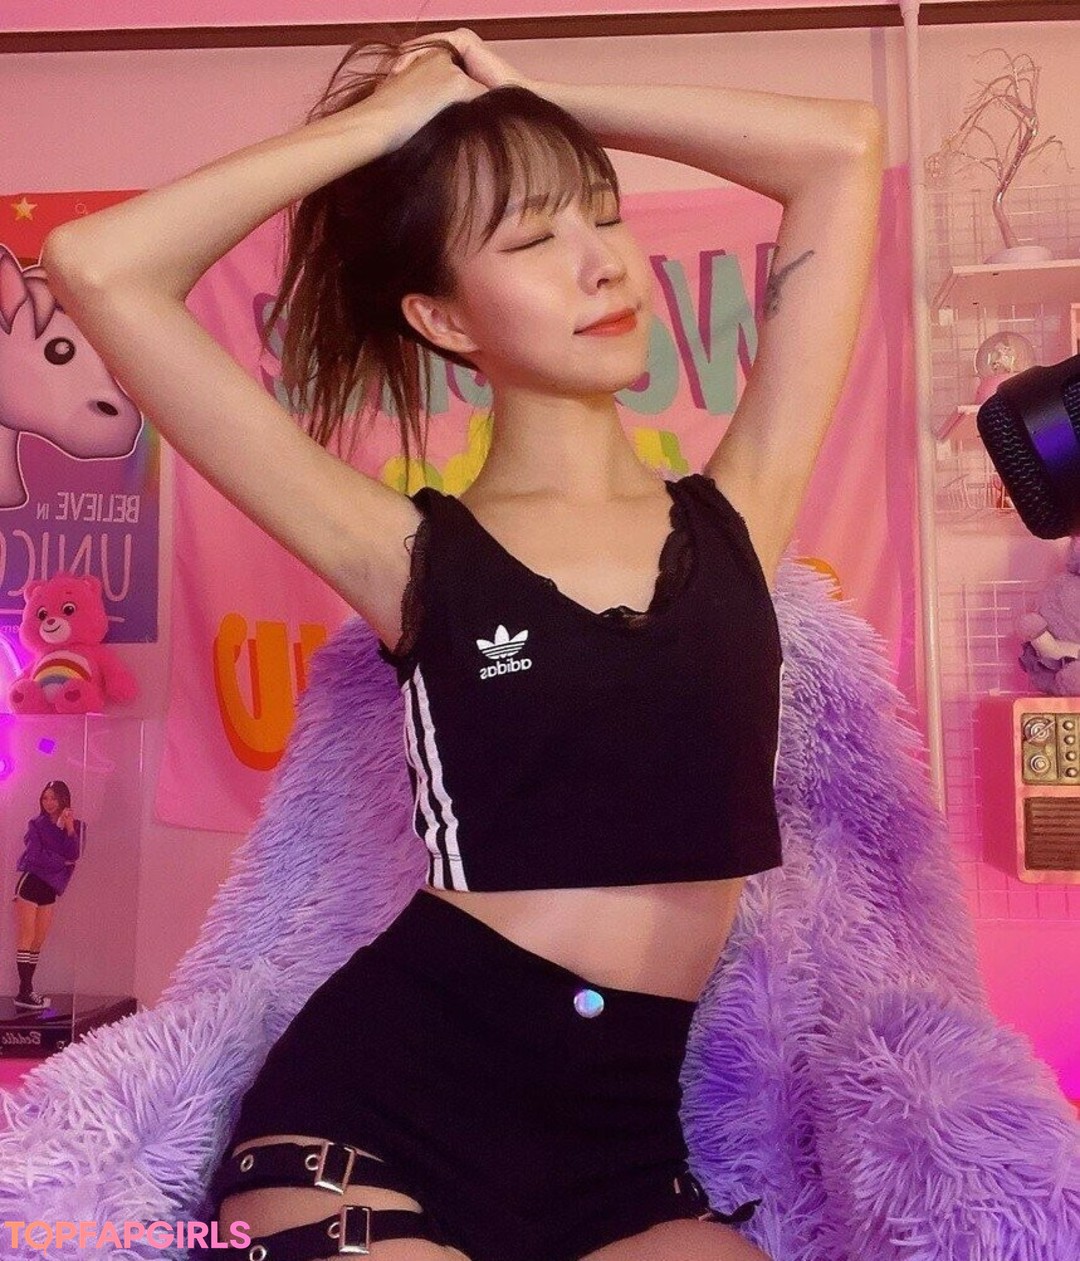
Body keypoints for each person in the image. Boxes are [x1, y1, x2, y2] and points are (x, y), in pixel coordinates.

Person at [40, 28, 883, 1261]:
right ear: (440, 316)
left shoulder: (738, 517)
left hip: (621, 1156)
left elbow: (842, 151)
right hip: (376, 1124)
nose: (602, 263)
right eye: (534, 241)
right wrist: (381, 130)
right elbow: (97, 266)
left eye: (604, 216)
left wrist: (532, 100)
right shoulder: (408, 553)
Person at [12, 780, 83, 1011]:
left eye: (53, 798)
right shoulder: (36, 824)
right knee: (26, 937)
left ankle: (27, 991)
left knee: (38, 940)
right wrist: (61, 862)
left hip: (49, 888)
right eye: (45, 798)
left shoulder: (75, 826)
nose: (49, 802)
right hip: (30, 884)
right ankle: (24, 991)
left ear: (63, 799)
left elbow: (74, 855)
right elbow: (34, 856)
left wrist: (69, 828)